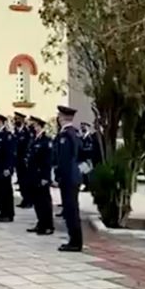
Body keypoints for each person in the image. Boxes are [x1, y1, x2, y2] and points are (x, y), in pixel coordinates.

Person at [55, 105, 83, 252]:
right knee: (71, 210)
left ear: (62, 118)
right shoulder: (75, 133)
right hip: (73, 177)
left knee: (71, 210)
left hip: (68, 178)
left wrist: (58, 176)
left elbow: (64, 160)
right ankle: (74, 240)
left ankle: (75, 242)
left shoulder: (66, 135)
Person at [27, 117, 54, 235]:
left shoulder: (46, 141)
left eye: (35, 125)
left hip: (41, 176)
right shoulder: (34, 139)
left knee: (44, 201)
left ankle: (48, 225)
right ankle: (41, 223)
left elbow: (47, 161)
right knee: (37, 201)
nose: (34, 128)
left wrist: (45, 177)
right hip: (33, 175)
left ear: (40, 126)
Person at [0, 113, 15, 223]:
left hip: (4, 168)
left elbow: (10, 153)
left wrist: (8, 168)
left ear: (1, 122)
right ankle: (2, 212)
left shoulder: (7, 135)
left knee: (6, 191)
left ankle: (8, 214)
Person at [13, 113, 33, 209]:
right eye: (15, 119)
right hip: (18, 160)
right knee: (21, 181)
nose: (16, 121)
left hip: (24, 160)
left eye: (18, 119)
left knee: (26, 181)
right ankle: (24, 199)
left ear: (22, 120)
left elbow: (29, 146)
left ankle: (29, 200)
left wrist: (26, 158)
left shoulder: (27, 132)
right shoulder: (16, 132)